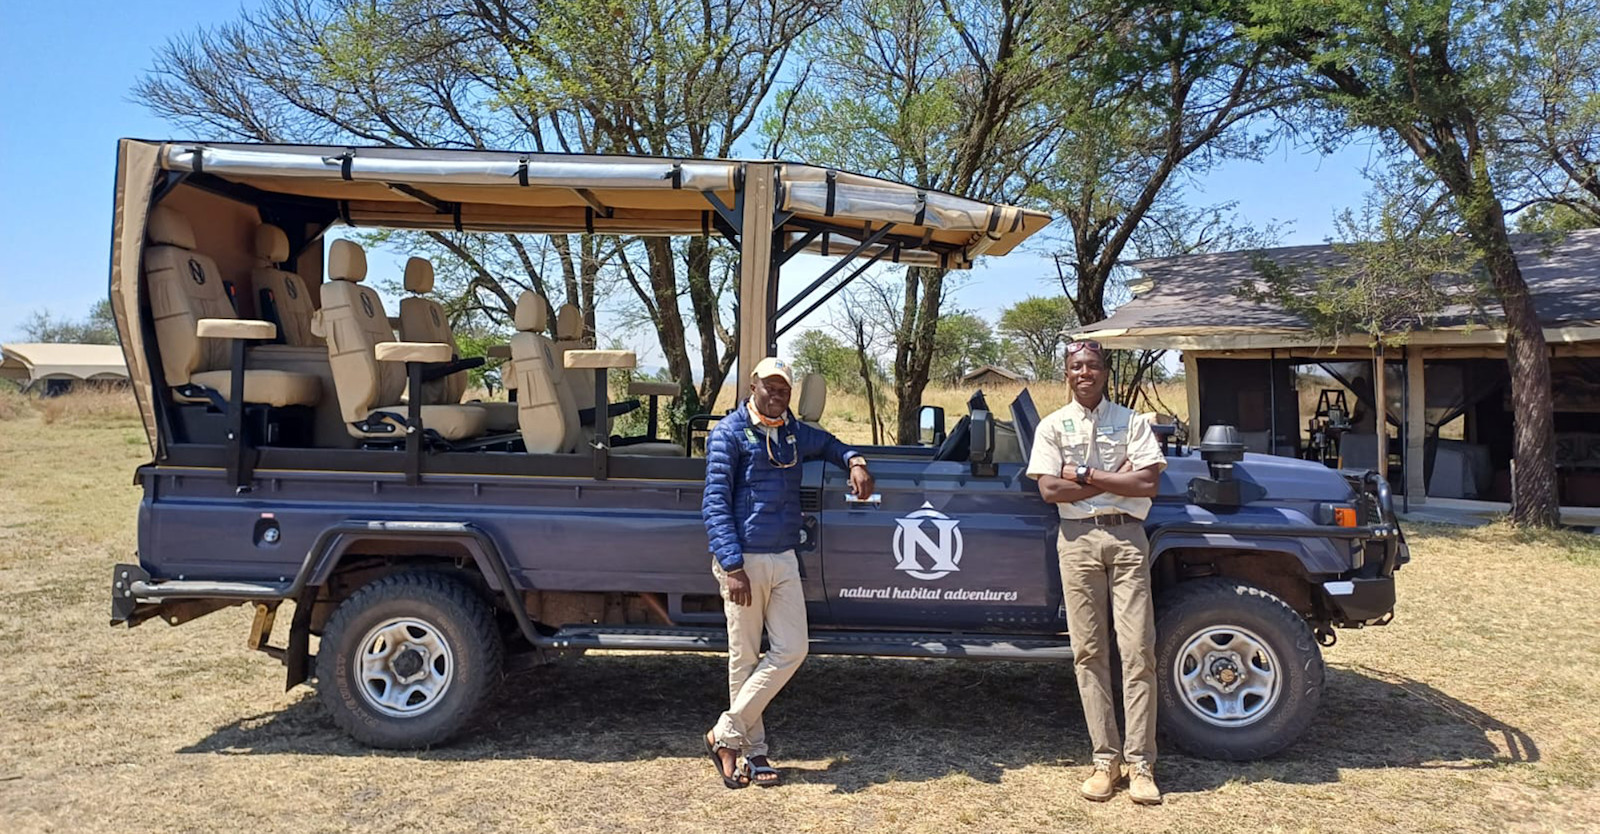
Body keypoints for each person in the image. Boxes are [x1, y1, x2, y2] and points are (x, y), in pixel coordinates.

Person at [700, 357, 874, 788]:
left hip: (784, 557)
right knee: (744, 657)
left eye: (784, 390)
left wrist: (854, 460)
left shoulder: (794, 433)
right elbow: (715, 503)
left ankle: (725, 733)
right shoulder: (728, 434)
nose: (776, 396)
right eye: (770, 387)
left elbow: (831, 443)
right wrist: (732, 563)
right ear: (753, 385)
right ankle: (752, 753)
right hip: (744, 561)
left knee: (792, 649)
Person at [1026, 340, 1167, 805]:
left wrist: (1082, 474)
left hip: (1128, 538)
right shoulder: (1051, 426)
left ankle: (1142, 764)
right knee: (1087, 651)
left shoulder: (1133, 422)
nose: (1083, 372)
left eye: (1091, 365)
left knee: (1137, 650)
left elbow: (1146, 482)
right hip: (1077, 541)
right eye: (1075, 366)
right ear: (1066, 374)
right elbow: (1049, 489)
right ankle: (1105, 760)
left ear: (1104, 371)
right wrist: (1113, 476)